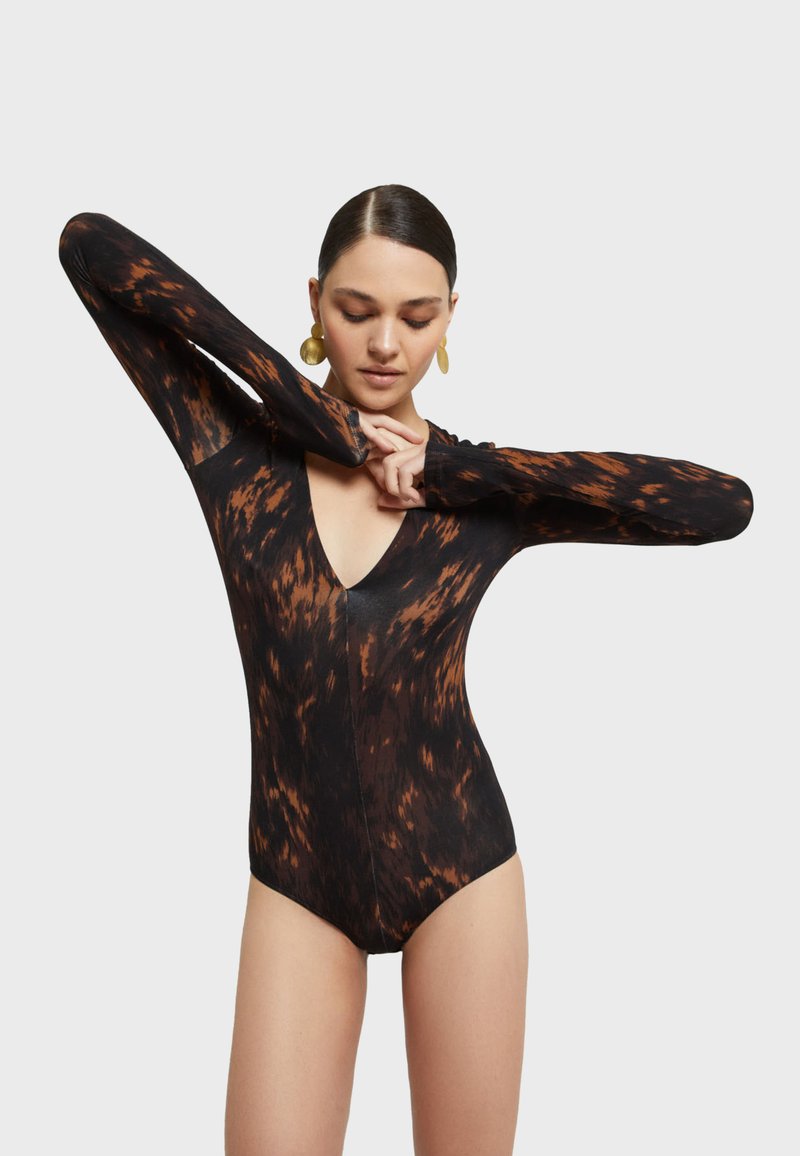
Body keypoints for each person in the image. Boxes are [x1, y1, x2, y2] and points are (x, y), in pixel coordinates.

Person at [58, 185, 754, 1156]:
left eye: (417, 318)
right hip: (298, 875)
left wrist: (467, 469)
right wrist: (309, 413)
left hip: (460, 868)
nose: (386, 343)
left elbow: (718, 506)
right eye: (356, 311)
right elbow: (89, 248)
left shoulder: (474, 495)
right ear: (314, 302)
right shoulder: (233, 454)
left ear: (449, 318)